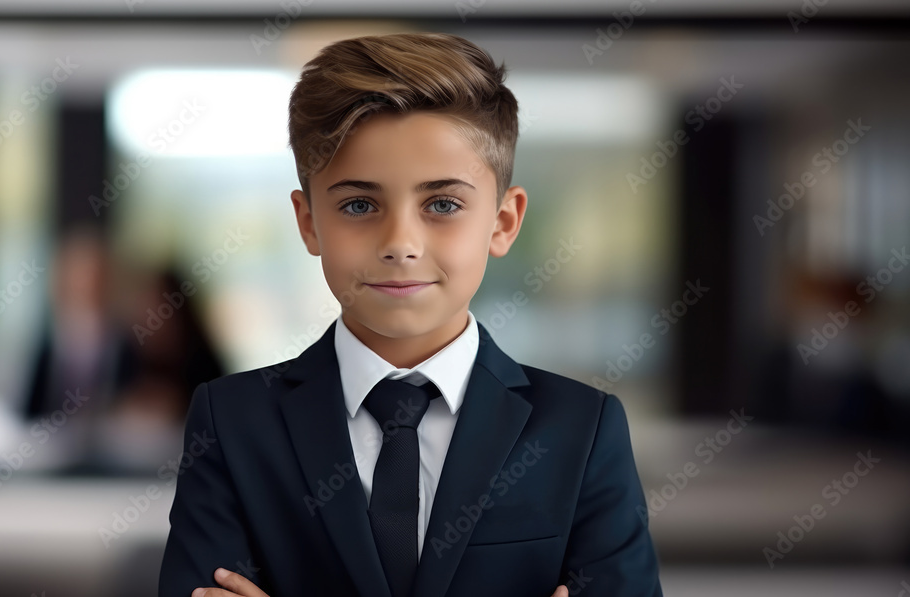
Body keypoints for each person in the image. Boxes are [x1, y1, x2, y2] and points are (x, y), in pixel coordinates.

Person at [159, 32, 663, 597]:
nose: (401, 242)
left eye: (443, 204)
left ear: (502, 222)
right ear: (308, 223)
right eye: (358, 204)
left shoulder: (581, 429)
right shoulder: (233, 424)